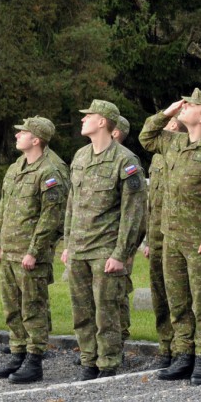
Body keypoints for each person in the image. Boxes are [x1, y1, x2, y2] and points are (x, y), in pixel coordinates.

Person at [139, 88, 201, 385]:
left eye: (191, 105)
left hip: (200, 240)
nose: (185, 106)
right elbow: (146, 137)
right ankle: (183, 354)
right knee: (178, 300)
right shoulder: (174, 142)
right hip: (171, 237)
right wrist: (167, 113)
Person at [61, 100, 146, 380]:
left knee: (106, 310)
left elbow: (133, 213)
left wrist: (121, 253)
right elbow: (72, 204)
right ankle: (88, 359)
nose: (83, 119)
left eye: (89, 116)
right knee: (81, 309)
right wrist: (68, 244)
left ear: (103, 122)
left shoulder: (125, 161)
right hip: (79, 248)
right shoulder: (81, 156)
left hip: (105, 249)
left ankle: (108, 362)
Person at [0, 117, 67, 383]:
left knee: (32, 308)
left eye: (22, 132)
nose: (17, 135)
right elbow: (3, 206)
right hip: (9, 250)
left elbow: (51, 216)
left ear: (36, 139)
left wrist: (34, 250)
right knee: (11, 308)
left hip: (30, 254)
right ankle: (18, 353)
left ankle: (34, 360)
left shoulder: (51, 171)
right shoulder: (15, 167)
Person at [142, 117, 185, 369]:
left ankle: (182, 347)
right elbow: (152, 202)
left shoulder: (181, 153)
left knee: (179, 294)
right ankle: (165, 345)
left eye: (168, 123)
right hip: (157, 235)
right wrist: (149, 238)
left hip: (176, 234)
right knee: (159, 293)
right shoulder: (158, 157)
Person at [111, 114, 146, 354]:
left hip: (118, 242)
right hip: (97, 242)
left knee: (117, 293)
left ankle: (118, 340)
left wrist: (130, 248)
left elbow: (135, 211)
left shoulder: (126, 163)